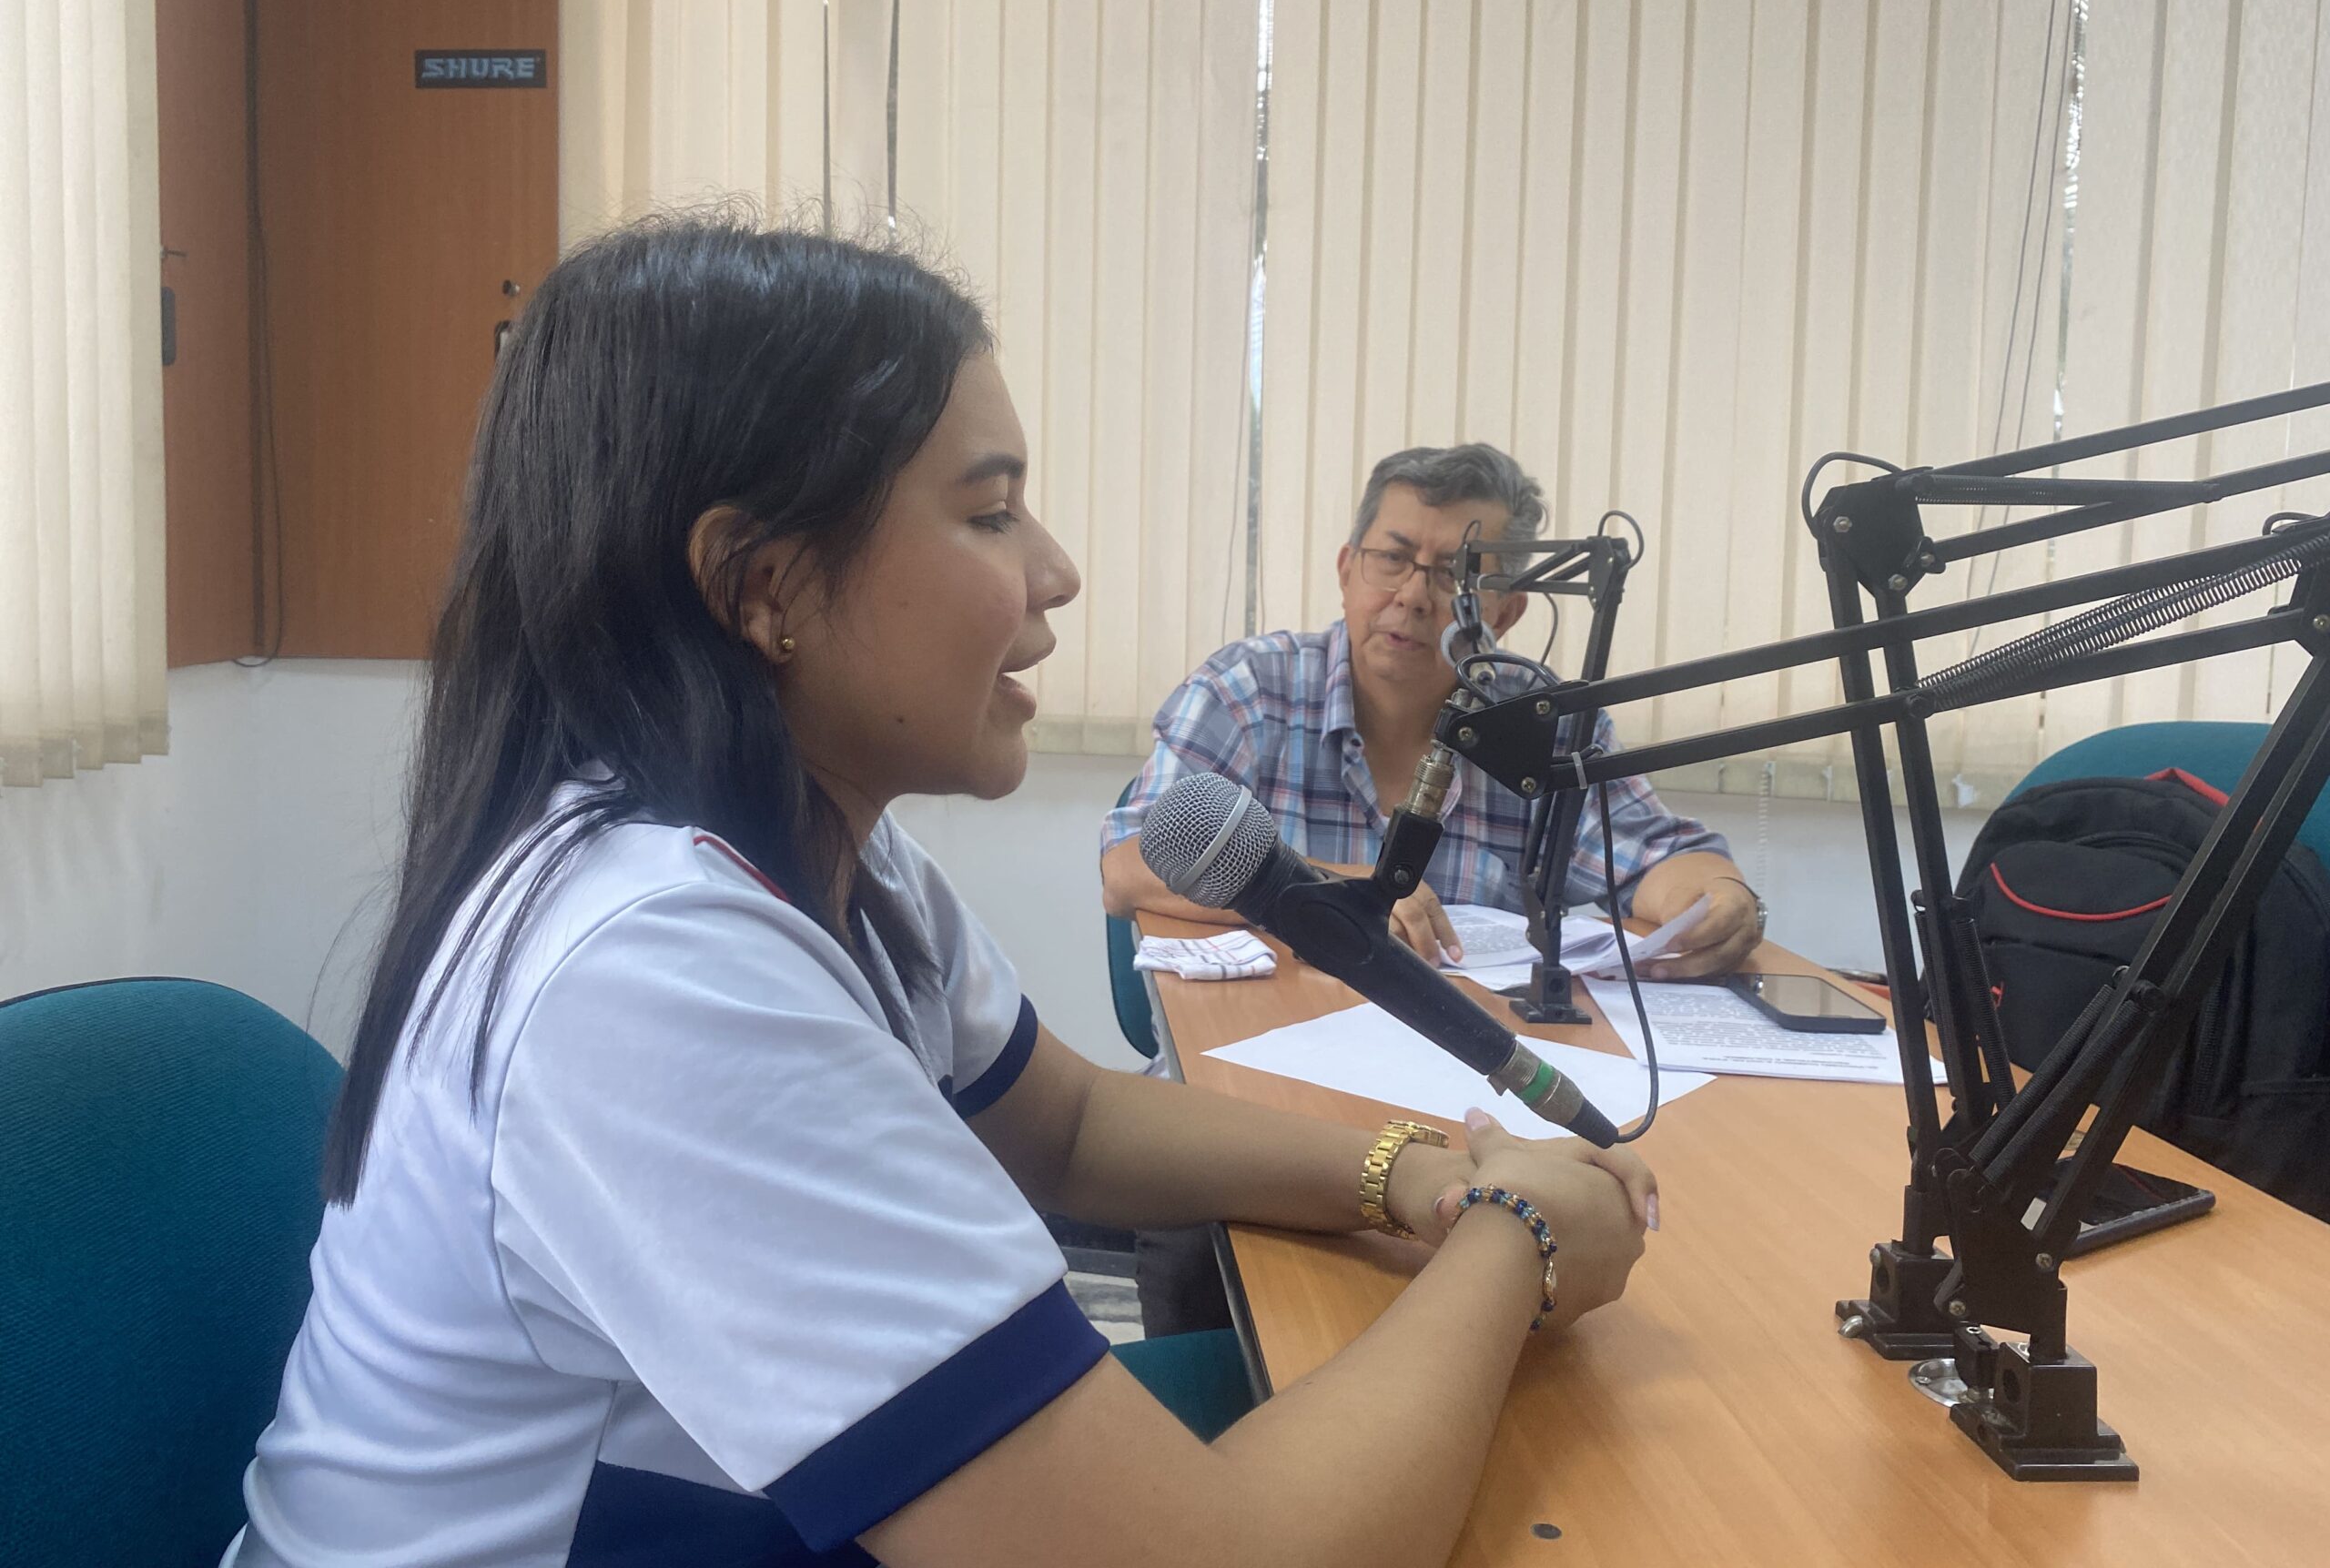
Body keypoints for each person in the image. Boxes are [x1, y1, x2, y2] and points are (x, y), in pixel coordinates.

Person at [222, 217, 1655, 1568]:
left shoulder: (814, 844)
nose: (1058, 572)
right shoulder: (649, 967)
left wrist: (1411, 1170)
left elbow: (1071, 1126)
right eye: (990, 513)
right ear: (762, 586)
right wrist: (1514, 1237)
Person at [1100, 444, 1765, 976]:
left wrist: (1719, 904)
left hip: (1464, 1063)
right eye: (1392, 559)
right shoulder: (1248, 688)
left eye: (1454, 576)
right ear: (1347, 570)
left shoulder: (1542, 723)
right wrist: (1338, 890)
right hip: (1258, 1047)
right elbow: (1129, 864)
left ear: (1506, 612)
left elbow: (1662, 860)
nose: (1414, 596)